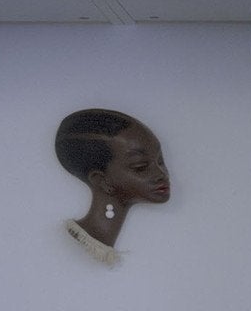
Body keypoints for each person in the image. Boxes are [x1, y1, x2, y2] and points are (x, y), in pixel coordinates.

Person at [54, 108, 171, 264]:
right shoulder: (65, 255)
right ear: (102, 181)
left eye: (160, 161)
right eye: (141, 166)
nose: (162, 174)